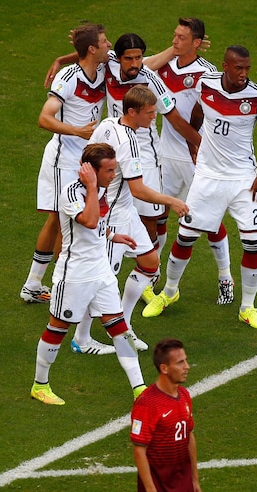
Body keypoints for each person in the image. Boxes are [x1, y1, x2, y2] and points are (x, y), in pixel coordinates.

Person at [45, 32, 201, 292]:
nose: (134, 64)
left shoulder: (151, 79)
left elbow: (173, 117)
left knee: (150, 217)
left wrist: (199, 145)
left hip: (146, 157)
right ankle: (88, 274)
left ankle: (146, 282)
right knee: (105, 209)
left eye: (139, 58)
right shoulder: (109, 65)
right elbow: (91, 53)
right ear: (119, 58)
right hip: (115, 150)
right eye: (129, 58)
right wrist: (62, 59)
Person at [143, 45, 257, 330]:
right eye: (238, 68)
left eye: (247, 69)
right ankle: (168, 293)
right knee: (185, 237)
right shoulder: (207, 83)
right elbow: (196, 111)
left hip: (244, 179)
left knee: (253, 243)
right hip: (207, 177)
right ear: (225, 66)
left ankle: (247, 307)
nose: (243, 74)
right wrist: (194, 143)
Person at [72, 86, 190, 355]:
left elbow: (86, 159)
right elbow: (138, 189)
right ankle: (81, 338)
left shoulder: (107, 123)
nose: (153, 118)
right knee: (103, 280)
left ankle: (122, 326)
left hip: (125, 211)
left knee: (150, 263)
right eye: (149, 113)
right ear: (132, 112)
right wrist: (172, 201)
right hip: (112, 217)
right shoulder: (128, 143)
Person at [30, 143, 147, 405]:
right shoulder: (72, 193)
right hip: (74, 275)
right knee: (57, 328)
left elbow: (98, 226)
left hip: (101, 272)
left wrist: (114, 235)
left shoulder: (102, 191)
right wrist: (93, 187)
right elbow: (90, 220)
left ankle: (140, 387)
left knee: (119, 327)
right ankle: (40, 384)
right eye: (108, 170)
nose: (114, 174)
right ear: (91, 171)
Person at [21, 24, 110, 304]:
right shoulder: (69, 78)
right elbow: (44, 118)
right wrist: (78, 131)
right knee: (65, 222)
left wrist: (63, 56)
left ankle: (35, 284)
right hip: (65, 159)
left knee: (58, 220)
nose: (110, 46)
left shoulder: (104, 66)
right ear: (92, 49)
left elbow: (133, 56)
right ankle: (60, 285)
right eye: (104, 42)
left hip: (85, 158)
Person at [150, 17, 235, 305]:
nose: (175, 41)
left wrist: (203, 144)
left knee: (208, 221)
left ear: (197, 43)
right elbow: (136, 65)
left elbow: (216, 112)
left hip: (196, 158)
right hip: (164, 155)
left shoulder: (207, 73)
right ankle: (154, 272)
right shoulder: (163, 65)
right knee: (158, 215)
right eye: (173, 35)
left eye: (181, 38)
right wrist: (173, 50)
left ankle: (225, 277)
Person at [114, 338, 200, 492]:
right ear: (164, 368)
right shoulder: (147, 404)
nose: (187, 366)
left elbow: (189, 436)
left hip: (182, 485)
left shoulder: (184, 396)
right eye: (180, 362)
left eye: (186, 360)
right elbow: (139, 449)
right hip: (158, 487)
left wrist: (194, 478)